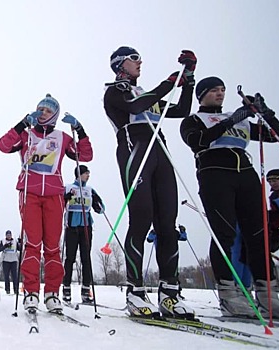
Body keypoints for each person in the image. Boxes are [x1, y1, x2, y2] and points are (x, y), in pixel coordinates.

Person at [180, 77, 279, 320]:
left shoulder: (241, 120)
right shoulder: (194, 119)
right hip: (215, 174)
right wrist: (231, 119)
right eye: (214, 90)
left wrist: (266, 112)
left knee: (259, 236)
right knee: (224, 233)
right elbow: (198, 141)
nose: (220, 94)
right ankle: (229, 296)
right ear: (202, 94)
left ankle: (269, 297)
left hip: (246, 174)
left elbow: (275, 135)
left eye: (222, 90)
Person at [103, 46, 195, 318]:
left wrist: (188, 78)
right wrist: (169, 82)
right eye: (134, 59)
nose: (140, 62)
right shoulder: (115, 91)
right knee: (141, 219)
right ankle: (135, 290)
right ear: (120, 64)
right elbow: (135, 107)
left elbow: (181, 110)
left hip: (159, 148)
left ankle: (169, 292)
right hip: (134, 147)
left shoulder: (147, 92)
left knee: (167, 221)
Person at [0, 94, 93, 313]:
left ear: (56, 115)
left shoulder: (61, 137)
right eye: (40, 109)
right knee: (32, 243)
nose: (42, 113)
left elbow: (85, 155)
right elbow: (3, 146)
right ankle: (30, 291)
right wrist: (22, 124)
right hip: (29, 193)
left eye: (48, 110)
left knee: (52, 246)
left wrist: (80, 130)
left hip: (54, 195)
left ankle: (52, 293)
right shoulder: (26, 135)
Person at [62, 165, 105, 304]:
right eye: (86, 173)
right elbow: (58, 204)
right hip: (72, 226)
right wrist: (65, 199)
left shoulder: (89, 190)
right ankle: (66, 288)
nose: (88, 175)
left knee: (86, 257)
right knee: (70, 258)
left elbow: (101, 208)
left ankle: (86, 290)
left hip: (86, 226)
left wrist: (98, 205)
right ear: (79, 174)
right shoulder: (68, 187)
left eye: (88, 173)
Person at [0, 230, 21, 295]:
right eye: (7, 235)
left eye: (10, 235)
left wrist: (20, 242)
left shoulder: (15, 241)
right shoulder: (3, 241)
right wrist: (5, 246)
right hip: (5, 261)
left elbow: (19, 249)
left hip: (14, 260)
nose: (9, 236)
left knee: (15, 276)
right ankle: (7, 290)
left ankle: (16, 290)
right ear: (6, 235)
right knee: (6, 276)